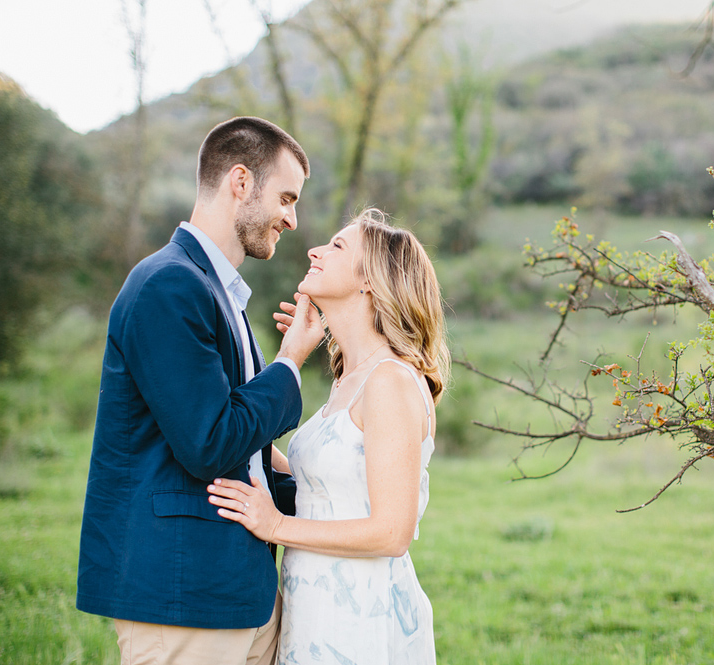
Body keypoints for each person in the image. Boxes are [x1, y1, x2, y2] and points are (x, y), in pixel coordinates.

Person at [77, 115, 319, 665]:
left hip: (239, 591)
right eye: (285, 197)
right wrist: (289, 363)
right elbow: (208, 442)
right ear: (240, 183)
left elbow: (246, 449)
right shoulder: (169, 284)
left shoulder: (221, 294)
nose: (292, 218)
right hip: (182, 592)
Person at [207, 208, 449, 664]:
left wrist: (275, 525)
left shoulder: (390, 381)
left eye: (336, 246)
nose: (315, 250)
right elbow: (319, 481)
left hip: (361, 616)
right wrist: (282, 365)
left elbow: (392, 532)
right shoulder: (348, 380)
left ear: (370, 281)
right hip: (316, 606)